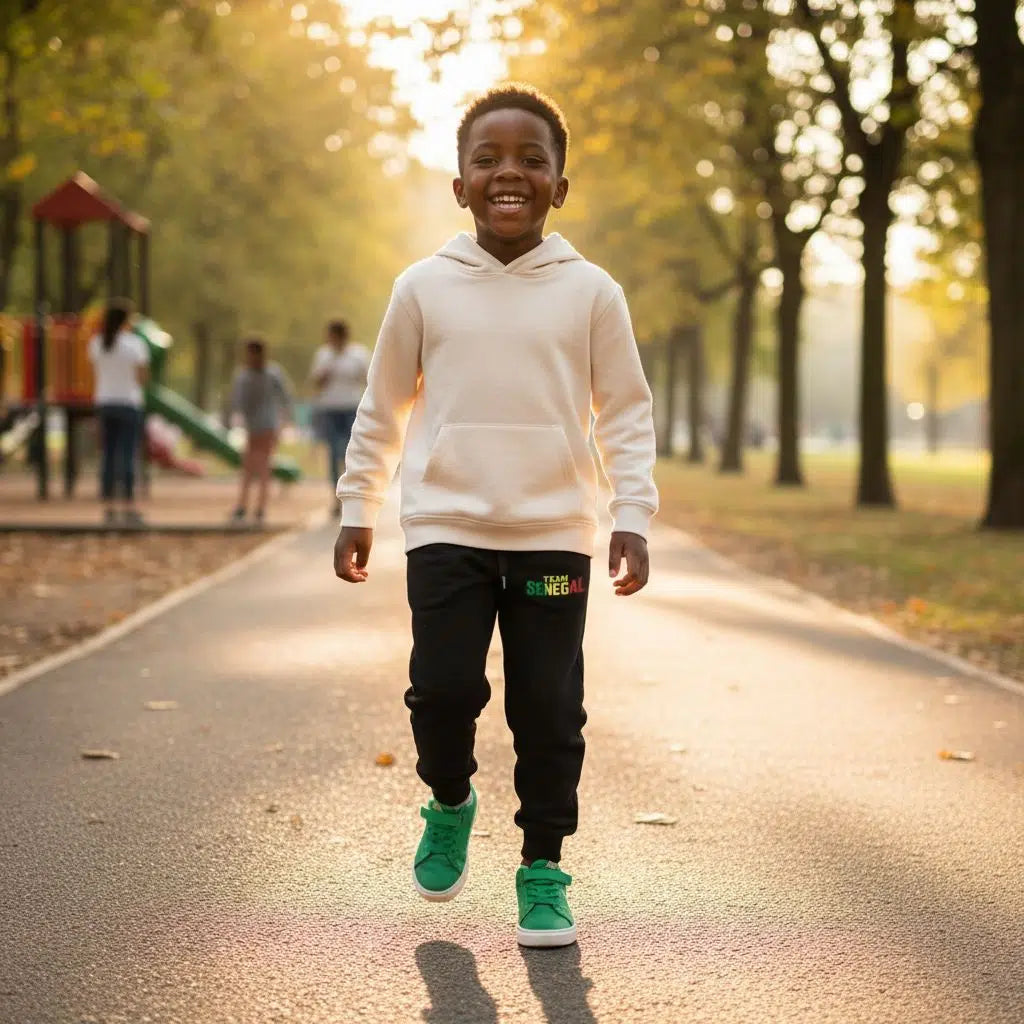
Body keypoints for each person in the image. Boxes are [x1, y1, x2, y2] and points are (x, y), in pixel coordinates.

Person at [333, 84, 657, 949]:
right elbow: (383, 402)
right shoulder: (422, 288)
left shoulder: (593, 293)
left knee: (548, 709)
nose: (508, 172)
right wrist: (359, 502)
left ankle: (543, 867)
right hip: (447, 529)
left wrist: (633, 512)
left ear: (559, 185)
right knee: (442, 692)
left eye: (531, 159)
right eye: (487, 160)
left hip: (554, 533)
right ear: (459, 184)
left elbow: (625, 409)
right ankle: (450, 798)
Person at [87, 298, 150, 526]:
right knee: (127, 454)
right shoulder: (135, 344)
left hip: (104, 402)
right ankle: (129, 506)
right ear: (126, 320)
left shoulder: (97, 343)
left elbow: (95, 372)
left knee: (108, 454)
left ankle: (109, 507)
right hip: (129, 403)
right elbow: (142, 378)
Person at [228, 338, 292, 524]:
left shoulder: (271, 373)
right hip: (252, 427)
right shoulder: (244, 375)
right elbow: (237, 402)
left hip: (267, 426)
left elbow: (286, 397)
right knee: (249, 467)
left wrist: (284, 421)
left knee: (263, 466)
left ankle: (259, 507)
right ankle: (243, 506)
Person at [309, 319, 370, 513]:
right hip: (330, 409)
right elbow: (316, 383)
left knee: (350, 453)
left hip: (351, 408)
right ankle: (336, 498)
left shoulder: (358, 354)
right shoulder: (324, 355)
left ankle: (353, 495)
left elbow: (368, 379)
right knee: (334, 452)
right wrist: (326, 371)